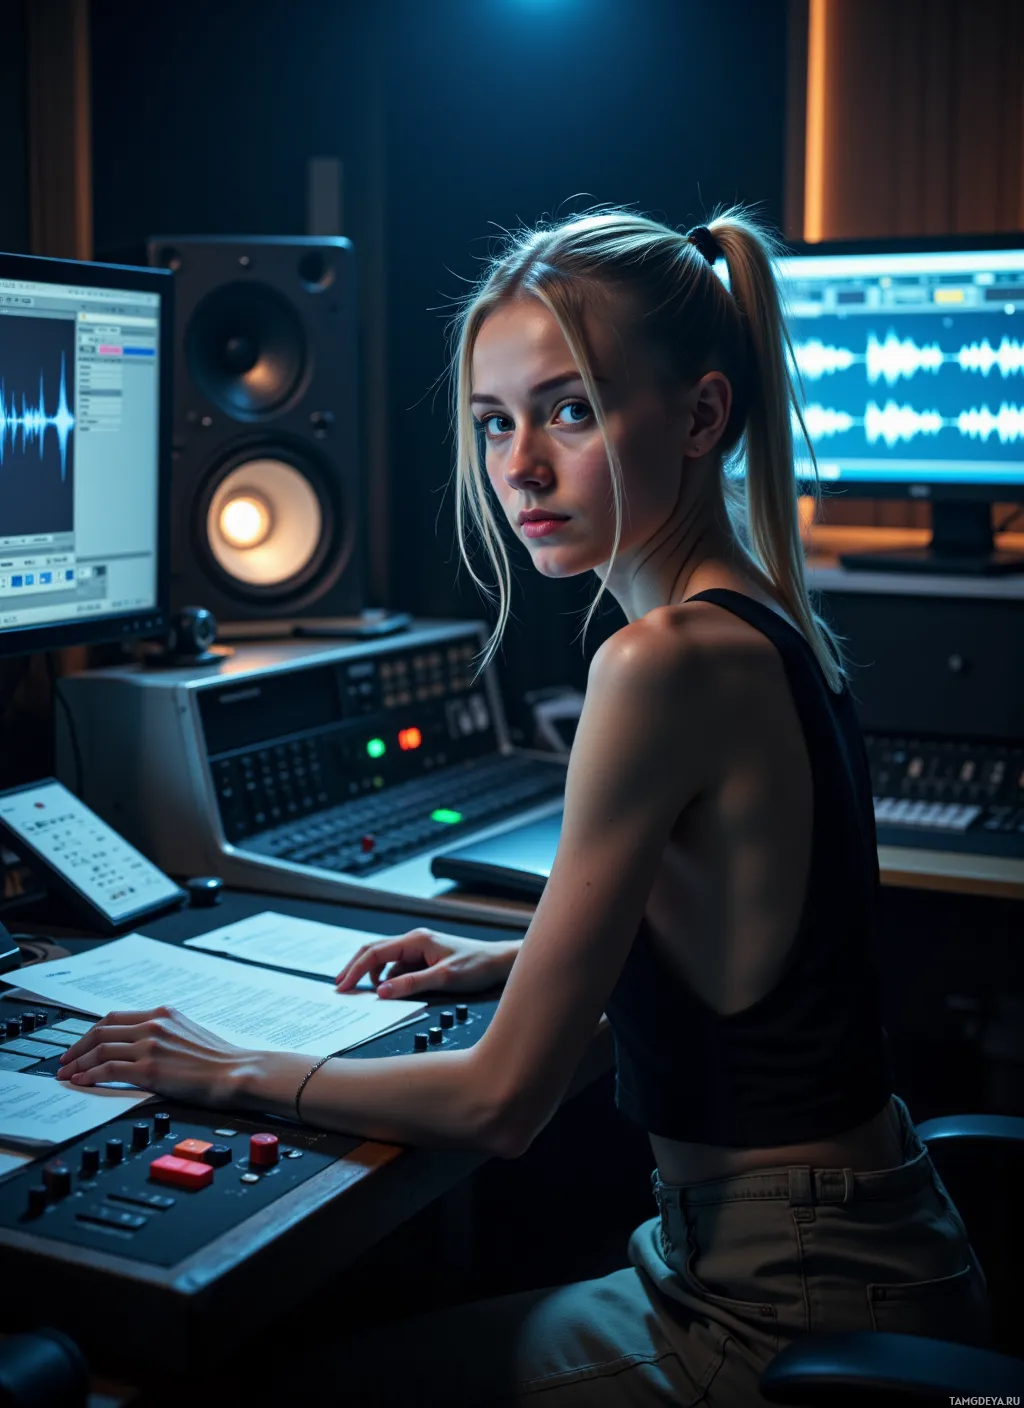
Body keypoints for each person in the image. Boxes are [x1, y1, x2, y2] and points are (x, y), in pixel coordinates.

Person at [58, 208, 991, 1404]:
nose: (518, 468)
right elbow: (743, 961)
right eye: (494, 422)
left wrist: (231, 1067)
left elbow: (501, 1102)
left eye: (569, 411)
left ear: (702, 416)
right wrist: (509, 954)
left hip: (778, 1306)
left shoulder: (657, 662)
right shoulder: (763, 621)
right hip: (868, 1249)